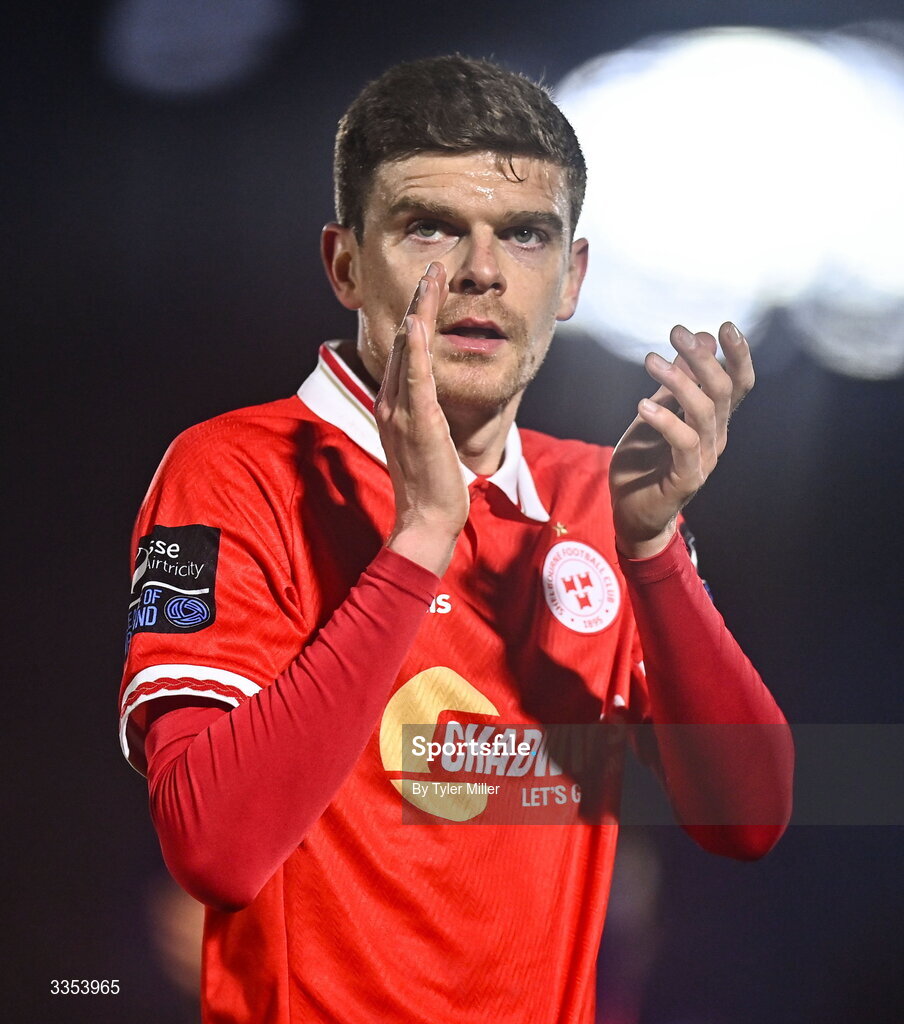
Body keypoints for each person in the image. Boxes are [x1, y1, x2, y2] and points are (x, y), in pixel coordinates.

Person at [119, 55, 793, 1024]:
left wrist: (651, 552)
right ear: (345, 263)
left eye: (524, 234)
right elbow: (213, 848)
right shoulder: (230, 472)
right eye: (429, 225)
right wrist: (418, 540)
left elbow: (749, 817)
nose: (481, 270)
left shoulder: (598, 497)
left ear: (570, 277)